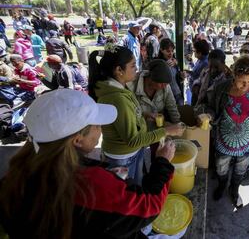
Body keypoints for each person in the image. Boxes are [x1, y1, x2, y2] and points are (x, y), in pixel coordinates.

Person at [0, 89, 178, 238]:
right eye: (97, 125)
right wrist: (162, 162)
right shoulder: (90, 185)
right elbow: (150, 205)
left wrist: (106, 175)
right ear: (77, 140)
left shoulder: (13, 177)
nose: (101, 129)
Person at [88, 45, 185, 184]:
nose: (137, 69)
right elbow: (133, 140)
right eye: (133, 65)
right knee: (129, 193)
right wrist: (167, 131)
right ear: (119, 70)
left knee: (137, 183)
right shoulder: (118, 97)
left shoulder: (119, 89)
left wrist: (143, 114)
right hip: (123, 157)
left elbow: (123, 116)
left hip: (130, 152)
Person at [202, 56, 249, 208]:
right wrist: (208, 115)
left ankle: (234, 189)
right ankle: (222, 185)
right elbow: (211, 108)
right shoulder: (221, 88)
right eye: (242, 81)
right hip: (223, 140)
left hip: (248, 141)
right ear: (234, 75)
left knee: (241, 169)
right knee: (221, 167)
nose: (246, 86)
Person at [128, 59, 181, 131]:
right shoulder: (132, 86)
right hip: (140, 132)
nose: (164, 87)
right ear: (151, 79)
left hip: (159, 130)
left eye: (166, 84)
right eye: (161, 84)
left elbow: (172, 108)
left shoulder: (165, 86)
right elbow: (129, 115)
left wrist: (178, 126)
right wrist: (144, 115)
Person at [157, 38, 184, 105]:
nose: (171, 53)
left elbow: (177, 78)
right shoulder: (158, 63)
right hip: (166, 97)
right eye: (168, 51)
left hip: (178, 93)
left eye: (172, 51)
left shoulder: (174, 61)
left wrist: (181, 75)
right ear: (161, 50)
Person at [188, 39, 210, 105]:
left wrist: (188, 72)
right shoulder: (200, 59)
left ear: (200, 53)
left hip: (198, 93)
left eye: (194, 51)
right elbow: (196, 70)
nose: (193, 52)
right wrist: (191, 62)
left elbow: (199, 77)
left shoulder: (205, 63)